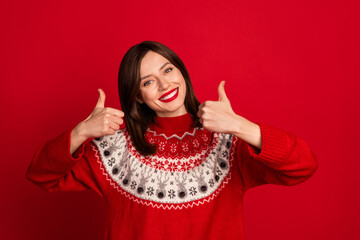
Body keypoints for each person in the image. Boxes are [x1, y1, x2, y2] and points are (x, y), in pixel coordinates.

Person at [26, 41, 318, 240]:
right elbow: (40, 175)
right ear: (138, 95)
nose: (165, 84)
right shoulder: (113, 146)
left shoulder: (228, 140)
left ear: (181, 72)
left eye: (168, 70)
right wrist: (81, 132)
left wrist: (242, 127)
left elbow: (303, 165)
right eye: (148, 81)